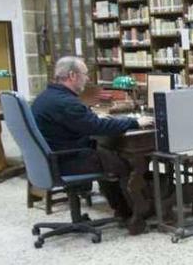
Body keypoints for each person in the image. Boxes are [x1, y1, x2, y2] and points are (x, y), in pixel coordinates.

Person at [32, 56, 153, 218]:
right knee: (124, 164)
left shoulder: (46, 97)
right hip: (68, 160)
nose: (87, 79)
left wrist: (94, 119)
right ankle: (135, 213)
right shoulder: (66, 103)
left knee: (108, 155)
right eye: (85, 74)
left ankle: (122, 208)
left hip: (53, 159)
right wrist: (135, 122)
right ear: (72, 75)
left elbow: (84, 123)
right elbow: (98, 127)